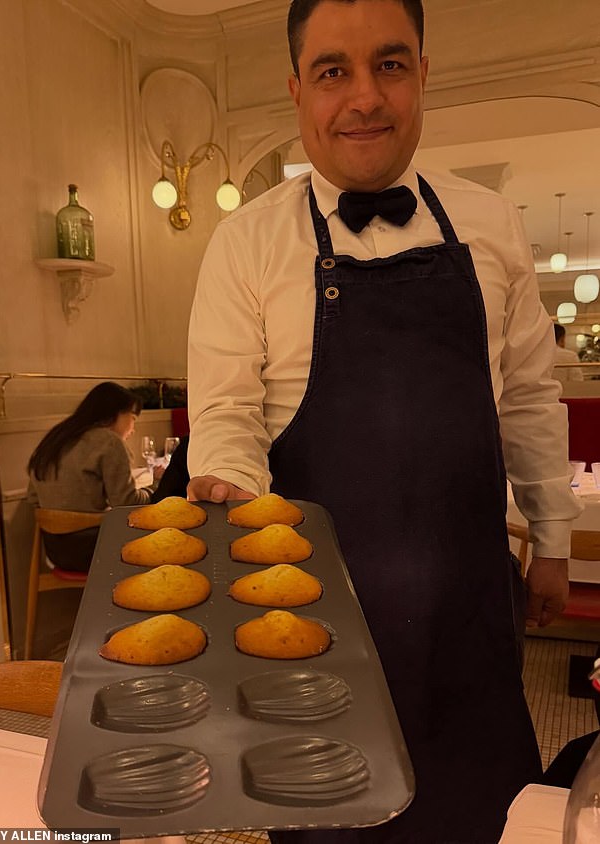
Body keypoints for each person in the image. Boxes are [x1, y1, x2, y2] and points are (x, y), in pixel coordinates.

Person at [186, 0, 583, 840]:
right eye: (334, 70)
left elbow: (526, 400)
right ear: (298, 90)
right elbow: (227, 416)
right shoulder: (245, 244)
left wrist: (552, 541)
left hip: (467, 617)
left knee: (481, 817)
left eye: (390, 65)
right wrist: (225, 481)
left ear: (423, 76)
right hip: (311, 626)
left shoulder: (492, 224)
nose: (364, 96)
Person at [28, 381, 162, 571]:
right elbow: (127, 503)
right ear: (115, 413)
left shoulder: (55, 438)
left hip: (55, 551)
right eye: (133, 418)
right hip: (96, 551)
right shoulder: (109, 442)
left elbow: (33, 497)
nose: (133, 429)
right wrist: (155, 485)